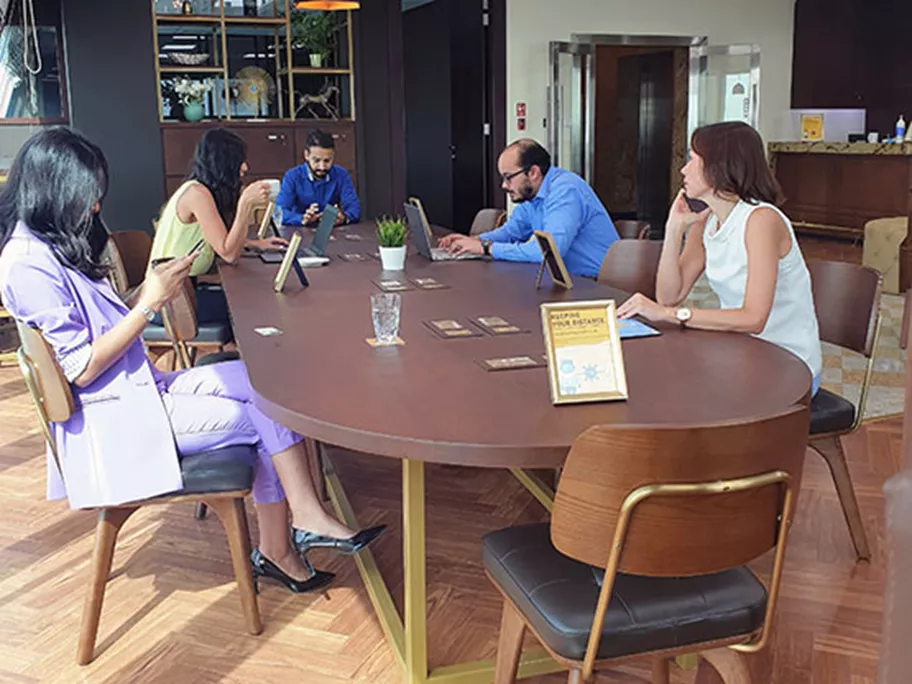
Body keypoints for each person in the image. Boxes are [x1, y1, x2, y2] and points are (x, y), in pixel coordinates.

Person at [0, 128, 384, 593]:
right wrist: (149, 303)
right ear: (50, 189)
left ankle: (296, 527)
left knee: (267, 382)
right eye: (87, 196)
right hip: (115, 417)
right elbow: (80, 368)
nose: (95, 206)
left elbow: (97, 325)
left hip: (137, 388)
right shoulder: (26, 263)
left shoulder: (47, 245)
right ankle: (288, 538)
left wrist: (146, 292)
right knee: (263, 413)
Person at [616, 121, 822, 395]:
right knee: (663, 383)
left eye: (693, 159)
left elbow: (754, 318)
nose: (683, 169)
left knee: (681, 393)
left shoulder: (761, 220)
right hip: (743, 355)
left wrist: (669, 315)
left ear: (719, 167)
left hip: (788, 366)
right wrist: (673, 229)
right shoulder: (707, 221)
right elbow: (669, 296)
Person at [148, 128, 287, 326]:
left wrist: (254, 244)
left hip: (180, 293)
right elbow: (229, 254)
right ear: (224, 162)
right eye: (239, 160)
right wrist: (245, 205)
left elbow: (216, 239)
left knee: (249, 296)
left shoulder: (198, 189)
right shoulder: (197, 195)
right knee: (253, 302)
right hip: (171, 302)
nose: (245, 167)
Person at [438, 139, 619, 277]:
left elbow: (548, 253)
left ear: (533, 173)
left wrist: (486, 248)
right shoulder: (532, 196)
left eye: (508, 177)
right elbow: (511, 232)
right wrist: (474, 241)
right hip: (565, 280)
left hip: (596, 286)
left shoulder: (565, 191)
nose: (504, 185)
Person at [275, 129, 360, 227]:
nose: (322, 167)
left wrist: (344, 218)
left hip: (332, 229)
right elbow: (279, 213)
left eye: (327, 161)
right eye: (316, 160)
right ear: (306, 155)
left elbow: (355, 209)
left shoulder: (341, 175)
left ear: (333, 156)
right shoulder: (292, 176)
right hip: (300, 230)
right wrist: (302, 218)